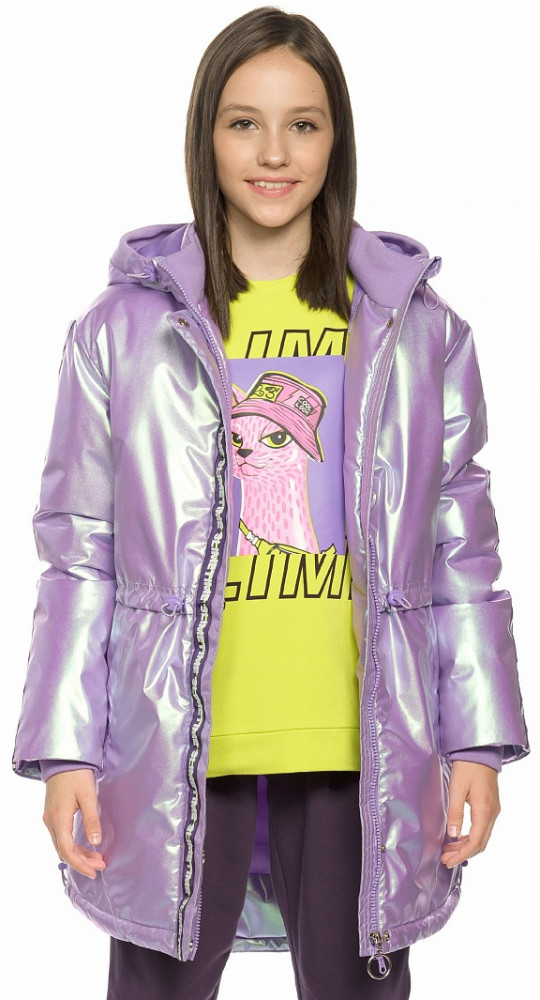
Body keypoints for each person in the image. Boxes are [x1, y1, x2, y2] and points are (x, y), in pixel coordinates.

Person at [12, 7, 529, 1000]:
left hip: (359, 745)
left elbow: (462, 547)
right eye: (244, 122)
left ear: (337, 141)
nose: (274, 153)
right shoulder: (124, 331)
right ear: (205, 134)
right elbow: (79, 550)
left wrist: (477, 738)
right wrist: (65, 747)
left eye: (304, 123)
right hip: (171, 745)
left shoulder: (416, 330)